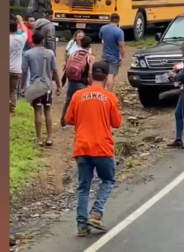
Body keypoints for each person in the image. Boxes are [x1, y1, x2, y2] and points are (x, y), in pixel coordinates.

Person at [64, 61, 122, 237]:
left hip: (82, 146)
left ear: (90, 76)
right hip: (102, 147)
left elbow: (68, 119)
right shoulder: (110, 98)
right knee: (108, 180)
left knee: (83, 187)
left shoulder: (78, 95)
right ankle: (96, 213)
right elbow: (117, 123)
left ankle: (82, 225)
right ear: (105, 77)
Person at [21, 32, 61, 147]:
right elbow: (55, 71)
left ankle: (39, 138)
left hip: (34, 87)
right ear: (43, 41)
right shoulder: (50, 53)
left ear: (32, 41)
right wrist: (58, 85)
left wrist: (23, 87)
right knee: (47, 110)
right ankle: (49, 137)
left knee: (37, 111)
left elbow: (24, 71)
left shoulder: (27, 53)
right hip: (47, 86)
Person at [61, 35, 95, 127]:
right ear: (89, 46)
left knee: (68, 101)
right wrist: (91, 83)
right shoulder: (90, 57)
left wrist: (64, 81)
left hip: (72, 80)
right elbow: (91, 72)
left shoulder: (73, 54)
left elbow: (67, 67)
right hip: (82, 82)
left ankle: (63, 120)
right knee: (82, 102)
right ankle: (80, 122)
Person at [98, 13, 125, 91]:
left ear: (110, 19)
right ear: (118, 20)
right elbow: (121, 45)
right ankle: (108, 93)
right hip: (114, 57)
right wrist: (122, 57)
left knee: (104, 75)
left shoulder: (103, 28)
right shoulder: (119, 32)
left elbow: (101, 38)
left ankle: (101, 91)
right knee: (111, 75)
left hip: (104, 55)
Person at [9, 17, 28, 114]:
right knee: (13, 90)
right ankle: (12, 110)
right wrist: (20, 21)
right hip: (17, 69)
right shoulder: (21, 38)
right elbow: (25, 31)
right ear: (16, 28)